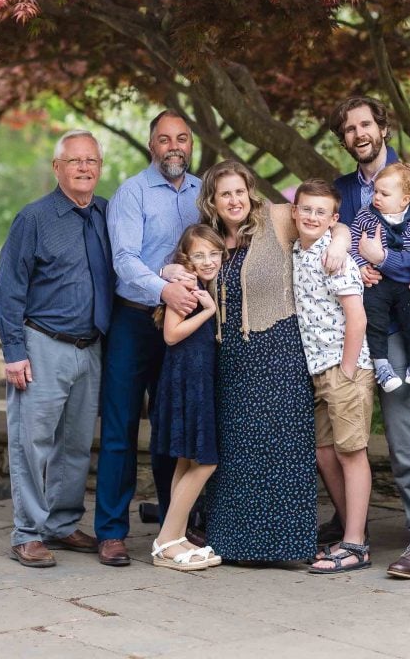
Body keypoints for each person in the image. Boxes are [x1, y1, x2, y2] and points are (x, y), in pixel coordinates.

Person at [195, 160, 350, 562]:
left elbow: (329, 217)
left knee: (283, 449)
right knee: (236, 453)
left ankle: (286, 545)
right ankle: (233, 544)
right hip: (228, 359)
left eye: (240, 191)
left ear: (251, 192)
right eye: (225, 193)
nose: (234, 200)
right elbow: (179, 265)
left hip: (278, 351)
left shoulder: (277, 218)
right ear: (213, 199)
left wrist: (340, 241)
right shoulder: (206, 238)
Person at [328, 96, 410, 579]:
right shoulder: (340, 189)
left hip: (400, 327)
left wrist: (382, 263)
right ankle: (350, 529)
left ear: (383, 127)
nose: (358, 133)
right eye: (349, 128)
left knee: (403, 432)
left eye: (366, 124)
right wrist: (346, 245)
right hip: (348, 328)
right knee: (340, 433)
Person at [0, 130, 113, 568]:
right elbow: (8, 289)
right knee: (32, 442)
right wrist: (13, 352)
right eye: (75, 160)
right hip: (43, 344)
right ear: (57, 167)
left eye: (92, 161)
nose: (84, 168)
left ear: (100, 167)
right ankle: (27, 533)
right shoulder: (34, 218)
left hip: (91, 347)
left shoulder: (105, 212)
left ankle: (61, 524)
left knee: (76, 444)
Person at [95, 110, 202, 566]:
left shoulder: (203, 193)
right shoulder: (132, 193)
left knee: (172, 428)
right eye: (164, 139)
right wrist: (165, 286)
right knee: (120, 429)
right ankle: (111, 532)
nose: (174, 146)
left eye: (181, 138)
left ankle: (171, 530)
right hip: (135, 321)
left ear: (190, 144)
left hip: (181, 326)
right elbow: (124, 259)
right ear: (150, 146)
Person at [291, 179, 375, 574]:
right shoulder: (296, 250)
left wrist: (345, 369)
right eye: (305, 209)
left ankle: (356, 545)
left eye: (321, 212)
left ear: (333, 219)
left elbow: (357, 318)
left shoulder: (335, 257)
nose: (311, 217)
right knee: (325, 453)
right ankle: (351, 531)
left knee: (351, 452)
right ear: (294, 212)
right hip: (317, 370)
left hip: (345, 367)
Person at [150, 225, 225, 572]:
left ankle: (176, 535)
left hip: (199, 380)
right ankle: (165, 541)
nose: (208, 261)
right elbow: (171, 335)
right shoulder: (188, 287)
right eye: (199, 255)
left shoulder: (208, 286)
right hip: (185, 381)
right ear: (187, 260)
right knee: (206, 462)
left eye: (214, 253)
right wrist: (209, 312)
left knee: (186, 461)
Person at [351, 161, 410, 391]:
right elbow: (353, 242)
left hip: (406, 283)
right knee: (375, 322)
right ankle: (382, 366)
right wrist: (361, 265)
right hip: (377, 282)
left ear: (404, 200)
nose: (376, 197)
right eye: (375, 191)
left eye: (384, 193)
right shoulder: (366, 215)